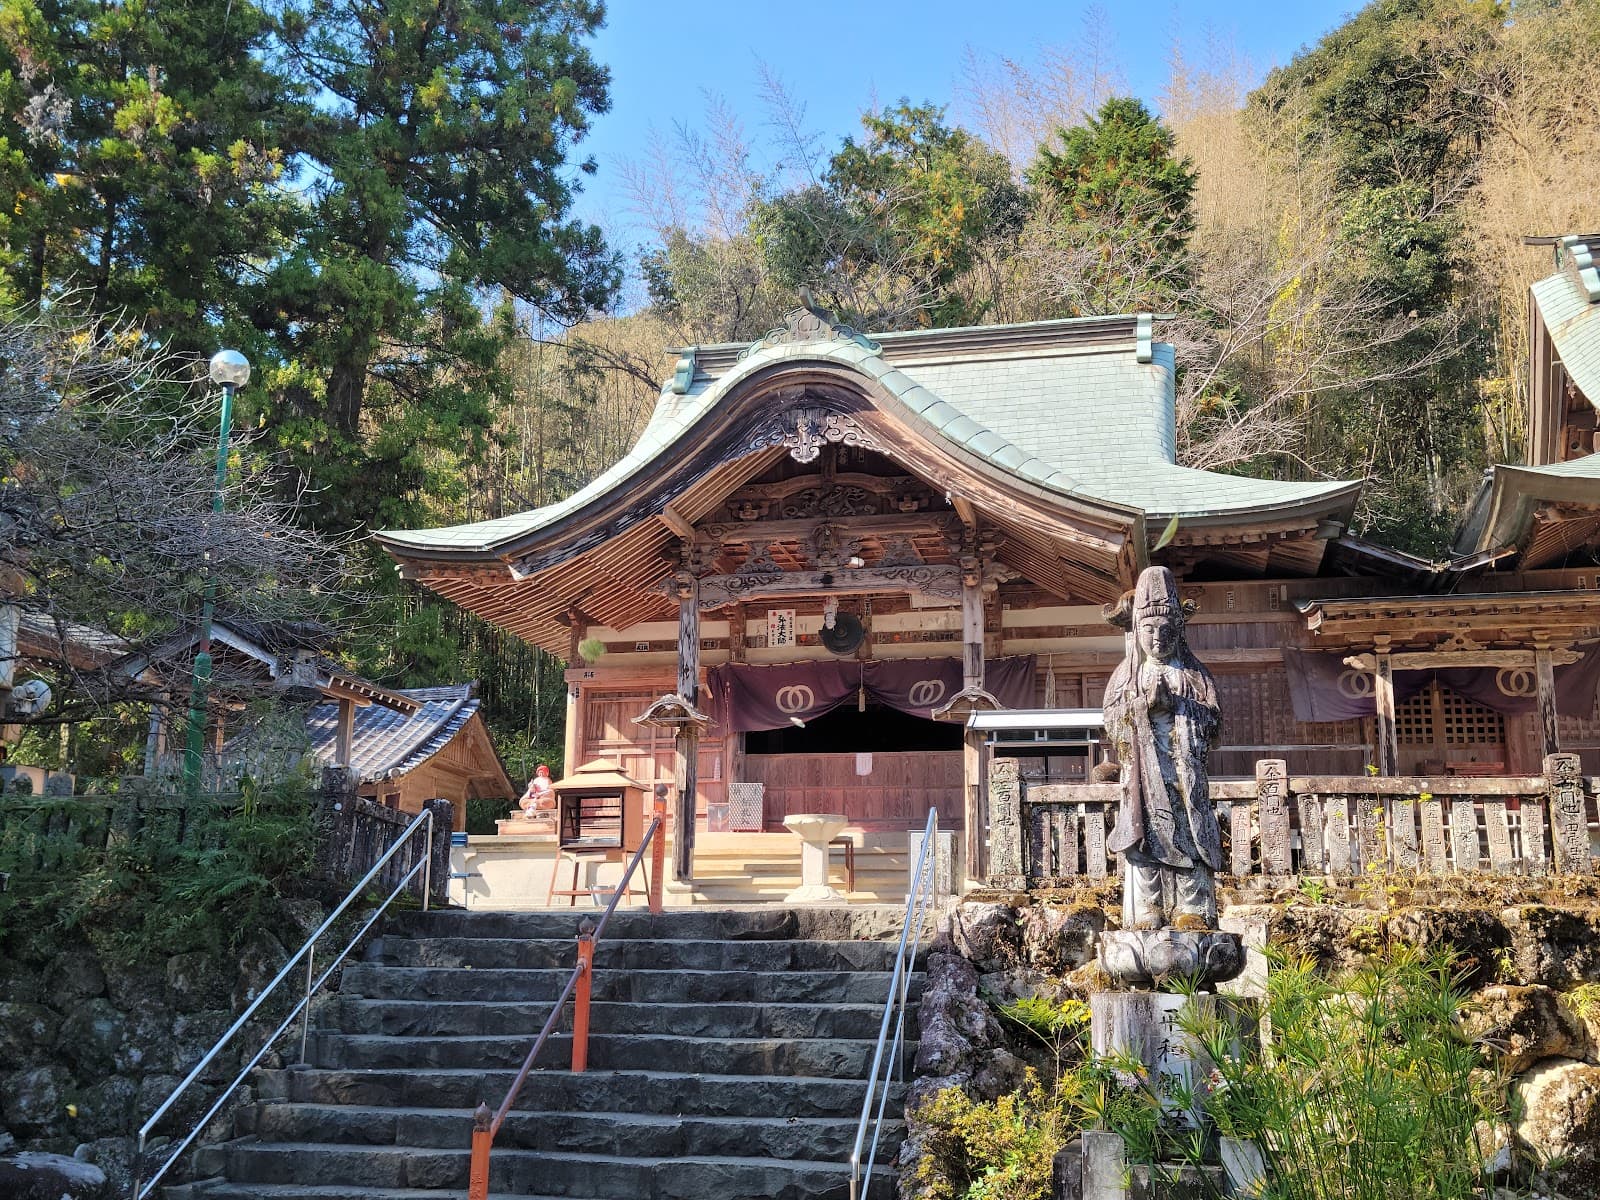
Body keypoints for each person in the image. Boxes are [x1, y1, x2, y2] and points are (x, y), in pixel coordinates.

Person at [1102, 566, 1223, 931]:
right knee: (1145, 840)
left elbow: (1215, 722)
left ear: (1179, 631)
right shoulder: (1127, 674)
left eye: (1167, 629)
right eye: (1149, 630)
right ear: (1137, 631)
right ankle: (1146, 911)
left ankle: (1194, 909)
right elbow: (1111, 721)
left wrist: (1181, 707)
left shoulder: (1194, 674)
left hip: (1183, 771)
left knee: (1189, 835)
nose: (1157, 638)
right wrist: (1143, 708)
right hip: (1142, 774)